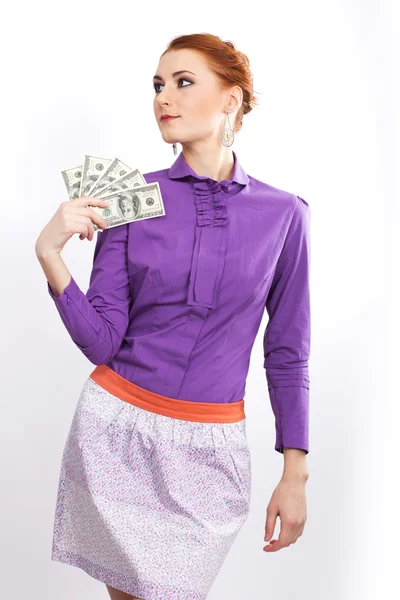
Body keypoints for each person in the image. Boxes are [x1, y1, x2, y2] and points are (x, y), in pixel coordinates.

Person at [35, 32, 311, 600]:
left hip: (211, 447)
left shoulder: (285, 215)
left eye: (184, 83)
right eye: (159, 85)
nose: (165, 97)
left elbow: (286, 350)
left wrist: (294, 471)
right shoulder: (129, 199)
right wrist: (50, 256)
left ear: (231, 100)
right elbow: (102, 342)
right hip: (118, 431)